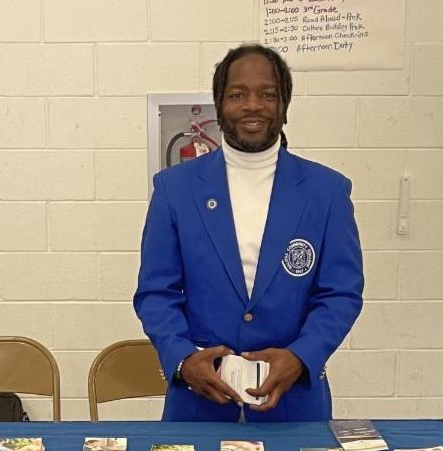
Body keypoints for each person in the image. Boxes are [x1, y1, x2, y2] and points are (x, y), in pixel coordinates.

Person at [133, 44, 364, 422]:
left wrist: (301, 356)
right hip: (199, 403)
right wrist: (183, 360)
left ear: (284, 106)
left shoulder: (327, 192)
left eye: (268, 95)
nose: (253, 105)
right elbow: (156, 293)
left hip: (293, 405)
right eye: (238, 95)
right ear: (219, 104)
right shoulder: (175, 190)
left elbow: (341, 294)